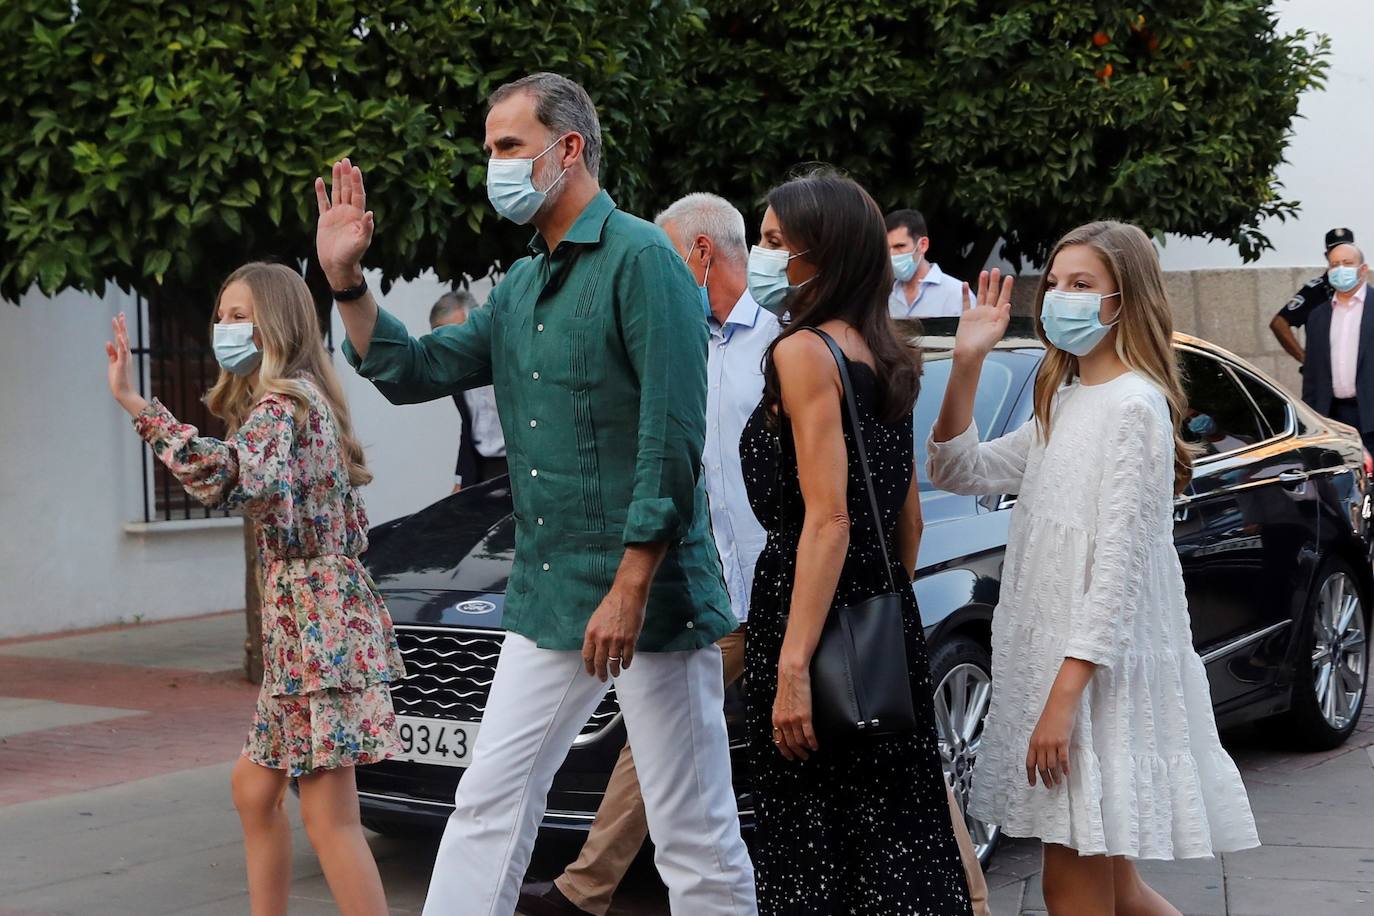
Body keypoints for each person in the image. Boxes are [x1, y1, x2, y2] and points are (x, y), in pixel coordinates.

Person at [313, 72, 756, 916]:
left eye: (509, 146)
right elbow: (411, 369)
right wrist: (347, 281)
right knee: (488, 798)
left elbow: (673, 441)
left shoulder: (645, 261)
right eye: (490, 150)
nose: (495, 166)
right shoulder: (520, 286)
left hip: (651, 599)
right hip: (549, 592)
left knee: (690, 832)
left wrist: (630, 587)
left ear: (569, 148)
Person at [927, 222, 1259, 914]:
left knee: (1071, 886)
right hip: (1058, 665)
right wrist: (966, 364)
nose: (1061, 297)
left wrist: (1062, 700)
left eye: (1082, 285)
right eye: (1054, 283)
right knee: (1120, 891)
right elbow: (956, 467)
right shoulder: (1066, 398)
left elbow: (1119, 568)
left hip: (1090, 682)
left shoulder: (1134, 406)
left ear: (1123, 299)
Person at [103, 262, 407, 916]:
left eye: (240, 315)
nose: (224, 327)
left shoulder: (284, 405)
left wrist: (139, 407)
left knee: (331, 821)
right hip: (310, 628)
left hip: (317, 633)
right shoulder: (306, 399)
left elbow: (233, 474)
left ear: (279, 324)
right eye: (221, 314)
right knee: (254, 790)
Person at [737, 170, 973, 914]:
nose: (761, 254)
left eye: (776, 242)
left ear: (823, 254)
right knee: (892, 843)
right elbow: (909, 522)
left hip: (807, 614)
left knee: (816, 846)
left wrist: (796, 663)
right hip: (882, 622)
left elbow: (828, 519)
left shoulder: (802, 353)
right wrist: (877, 616)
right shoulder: (889, 352)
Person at [429, 290, 508, 492]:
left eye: (457, 335)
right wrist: (460, 479)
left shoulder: (507, 360)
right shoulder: (455, 371)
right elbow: (468, 427)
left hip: (519, 467)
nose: (451, 346)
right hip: (480, 471)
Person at [1300, 242, 1374, 453]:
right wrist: (1312, 420)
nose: (1341, 269)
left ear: (1363, 269)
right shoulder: (1318, 316)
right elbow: (1312, 374)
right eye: (1334, 264)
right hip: (1333, 420)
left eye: (1348, 263)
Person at [1268, 227, 1357, 366]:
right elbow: (1279, 324)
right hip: (1326, 377)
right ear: (1327, 255)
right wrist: (1305, 360)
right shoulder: (1315, 291)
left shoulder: (1363, 291)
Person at [886, 207, 967, 319]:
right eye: (887, 249)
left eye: (900, 246)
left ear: (923, 245)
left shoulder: (957, 294)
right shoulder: (885, 296)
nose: (892, 254)